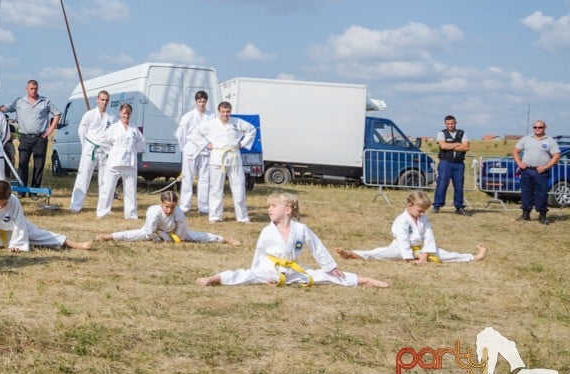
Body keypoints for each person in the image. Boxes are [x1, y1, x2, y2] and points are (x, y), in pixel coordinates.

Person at [196, 192, 389, 288]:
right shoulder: (266, 231)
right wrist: (257, 270)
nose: (269, 210)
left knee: (325, 276)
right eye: (268, 207)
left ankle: (365, 280)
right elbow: (259, 253)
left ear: (287, 210)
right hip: (270, 269)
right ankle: (214, 278)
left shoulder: (301, 229)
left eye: (273, 206)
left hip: (293, 269)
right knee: (246, 276)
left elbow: (316, 247)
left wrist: (330, 266)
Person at [336, 191, 486, 263]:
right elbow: (403, 240)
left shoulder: (424, 218)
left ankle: (474, 257)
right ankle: (350, 254)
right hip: (401, 249)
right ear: (409, 205)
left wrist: (424, 255)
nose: (421, 214)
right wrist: (408, 258)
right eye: (420, 210)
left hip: (421, 249)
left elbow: (428, 236)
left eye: (424, 211)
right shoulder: (401, 220)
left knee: (446, 255)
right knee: (379, 253)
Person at [189, 101, 255, 223]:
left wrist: (243, 144)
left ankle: (242, 217)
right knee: (216, 188)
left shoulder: (237, 122)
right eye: (223, 112)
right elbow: (195, 134)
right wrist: (206, 144)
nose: (225, 114)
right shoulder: (210, 124)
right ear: (219, 111)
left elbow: (252, 130)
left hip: (234, 157)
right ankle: (215, 216)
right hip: (217, 157)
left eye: (228, 112)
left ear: (230, 111)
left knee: (239, 187)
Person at [96, 190, 240, 245]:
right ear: (161, 203)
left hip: (174, 233)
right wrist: (160, 238)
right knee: (132, 234)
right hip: (156, 233)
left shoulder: (178, 213)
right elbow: (148, 232)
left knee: (199, 236)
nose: (169, 210)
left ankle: (224, 239)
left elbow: (183, 234)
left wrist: (174, 237)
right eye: (166, 206)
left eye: (172, 207)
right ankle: (108, 236)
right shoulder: (153, 212)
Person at [0, 80, 60, 187]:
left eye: (35, 88)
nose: (33, 91)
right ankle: (22, 189)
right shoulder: (19, 101)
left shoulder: (45, 101)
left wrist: (50, 130)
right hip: (25, 137)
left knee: (39, 164)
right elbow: (6, 108)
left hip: (40, 137)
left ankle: (34, 190)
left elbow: (57, 114)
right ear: (27, 89)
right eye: (31, 88)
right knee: (22, 163)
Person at [95, 103, 146, 219]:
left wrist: (133, 150)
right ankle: (102, 212)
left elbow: (142, 142)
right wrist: (112, 151)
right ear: (120, 113)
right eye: (124, 113)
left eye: (128, 114)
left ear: (130, 114)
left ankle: (131, 214)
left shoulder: (134, 129)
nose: (126, 116)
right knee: (107, 188)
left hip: (130, 163)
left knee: (130, 190)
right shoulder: (114, 128)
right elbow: (103, 141)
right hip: (115, 162)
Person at [69, 90, 115, 213]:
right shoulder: (89, 114)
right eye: (102, 99)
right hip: (90, 149)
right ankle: (75, 206)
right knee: (83, 177)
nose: (104, 102)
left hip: (104, 150)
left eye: (106, 100)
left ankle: (104, 208)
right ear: (97, 99)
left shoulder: (112, 117)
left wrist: (109, 148)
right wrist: (86, 146)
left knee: (105, 180)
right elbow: (81, 131)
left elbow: (112, 134)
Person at [512, 120, 561, 225]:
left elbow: (556, 156)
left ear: (545, 128)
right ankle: (525, 214)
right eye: (535, 127)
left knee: (542, 194)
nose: (537, 129)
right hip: (526, 170)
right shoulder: (526, 139)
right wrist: (520, 163)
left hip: (541, 172)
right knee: (526, 193)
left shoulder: (550, 140)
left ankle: (542, 216)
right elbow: (515, 151)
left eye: (540, 127)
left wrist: (545, 167)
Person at [175, 91, 213, 214]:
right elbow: (180, 134)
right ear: (196, 102)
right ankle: (185, 206)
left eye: (204, 101)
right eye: (199, 101)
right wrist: (184, 148)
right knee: (187, 179)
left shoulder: (211, 116)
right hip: (191, 150)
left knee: (204, 179)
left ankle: (203, 207)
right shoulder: (188, 116)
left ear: (206, 102)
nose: (202, 104)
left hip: (205, 151)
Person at [432, 115, 470, 215]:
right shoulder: (441, 133)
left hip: (459, 164)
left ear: (456, 123)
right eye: (448, 124)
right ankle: (437, 205)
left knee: (459, 186)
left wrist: (451, 146)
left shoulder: (462, 133)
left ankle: (459, 207)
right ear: (445, 124)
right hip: (445, 163)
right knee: (442, 184)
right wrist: (458, 144)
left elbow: (466, 147)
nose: (450, 125)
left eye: (452, 123)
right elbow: (443, 146)